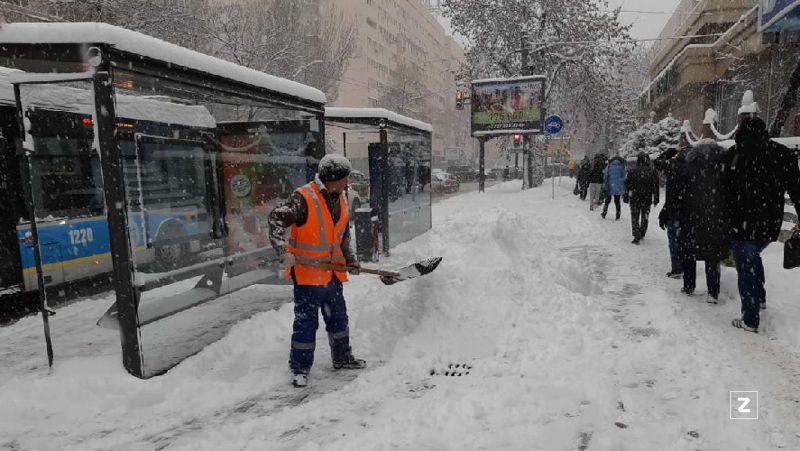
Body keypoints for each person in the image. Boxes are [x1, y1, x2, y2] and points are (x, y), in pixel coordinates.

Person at [269, 153, 366, 387]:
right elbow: (275, 219)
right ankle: (300, 368)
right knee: (306, 323)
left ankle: (342, 358)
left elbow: (341, 235)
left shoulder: (341, 197)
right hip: (308, 276)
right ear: (333, 178)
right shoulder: (303, 198)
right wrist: (283, 252)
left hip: (331, 274)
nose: (348, 183)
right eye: (345, 178)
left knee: (338, 319)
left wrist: (350, 260)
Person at [723, 117, 800, 333]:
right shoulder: (782, 154)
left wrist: (723, 220)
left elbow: (723, 192)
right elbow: (796, 189)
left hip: (742, 223)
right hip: (769, 223)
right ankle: (760, 298)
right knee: (752, 256)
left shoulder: (734, 154)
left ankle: (750, 318)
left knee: (745, 264)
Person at [674, 136, 728, 302]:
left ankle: (689, 285)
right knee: (713, 255)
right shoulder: (723, 165)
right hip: (715, 217)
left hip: (691, 215)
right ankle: (713, 292)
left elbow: (680, 191)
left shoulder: (689, 165)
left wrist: (679, 212)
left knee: (689, 252)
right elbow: (729, 191)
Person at [654, 140, 689, 279]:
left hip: (674, 209)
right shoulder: (694, 168)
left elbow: (657, 161)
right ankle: (687, 268)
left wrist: (672, 150)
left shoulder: (672, 165)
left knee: (674, 241)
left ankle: (677, 268)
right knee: (686, 241)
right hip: (689, 210)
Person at [624, 152, 659, 244]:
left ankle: (636, 233)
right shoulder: (652, 171)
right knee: (645, 215)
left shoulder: (632, 171)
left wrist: (626, 196)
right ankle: (642, 231)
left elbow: (627, 185)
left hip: (635, 197)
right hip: (646, 198)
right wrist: (656, 198)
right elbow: (655, 186)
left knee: (635, 216)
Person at [601, 154, 625, 220]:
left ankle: (604, 213)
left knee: (607, 200)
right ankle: (618, 215)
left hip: (610, 185)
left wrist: (605, 183)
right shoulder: (621, 167)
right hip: (618, 186)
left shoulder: (609, 166)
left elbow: (605, 175)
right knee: (617, 201)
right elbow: (624, 176)